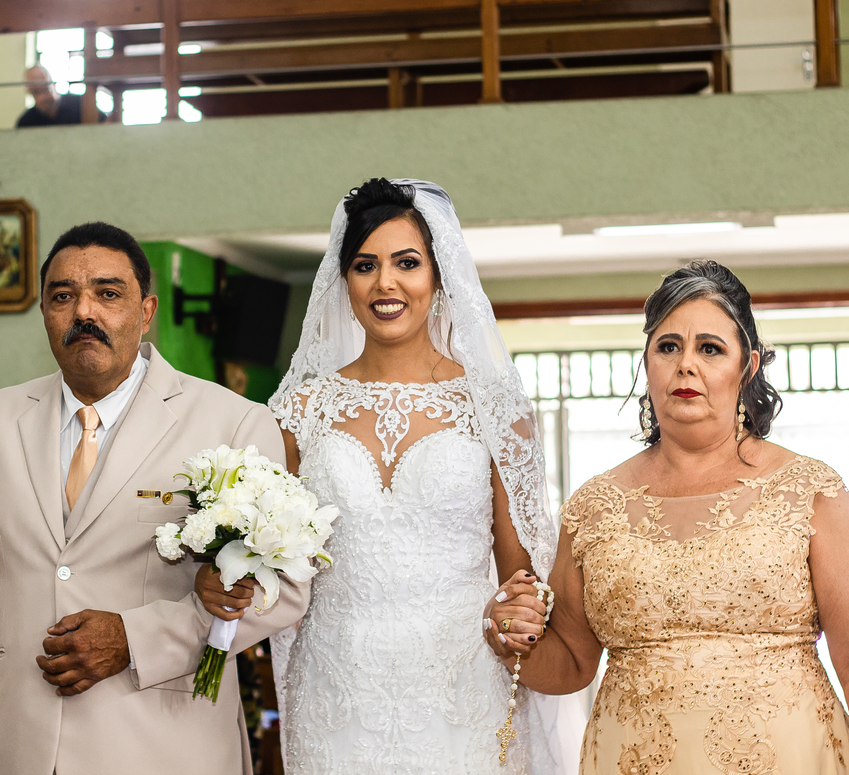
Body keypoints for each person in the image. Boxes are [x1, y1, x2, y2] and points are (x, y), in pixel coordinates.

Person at [198, 179, 571, 774]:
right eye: (365, 265)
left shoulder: (494, 408)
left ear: (439, 275)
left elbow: (522, 571)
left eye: (407, 263)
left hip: (463, 687)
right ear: (343, 281)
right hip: (336, 690)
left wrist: (521, 607)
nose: (385, 283)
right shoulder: (300, 411)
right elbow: (270, 563)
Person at [0, 222, 310, 775]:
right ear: (45, 313)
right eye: (62, 296)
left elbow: (284, 591)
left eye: (107, 293)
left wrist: (135, 637)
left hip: (166, 748)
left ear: (146, 311)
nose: (84, 312)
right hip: (23, 750)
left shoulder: (231, 420)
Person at [489, 260, 849, 774]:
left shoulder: (810, 493)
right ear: (647, 365)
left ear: (748, 367)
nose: (686, 364)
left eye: (710, 348)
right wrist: (515, 638)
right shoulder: (593, 508)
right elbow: (572, 662)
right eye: (669, 347)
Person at [16, 66, 102, 127]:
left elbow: (105, 123)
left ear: (53, 83)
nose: (42, 97)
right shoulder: (26, 122)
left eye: (45, 89)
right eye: (36, 92)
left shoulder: (80, 103)